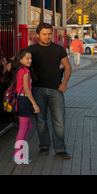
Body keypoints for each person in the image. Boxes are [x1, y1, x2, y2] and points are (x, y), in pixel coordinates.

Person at [25, 22, 72, 160]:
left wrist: (64, 84)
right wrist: (9, 63)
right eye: (44, 34)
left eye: (49, 34)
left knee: (59, 121)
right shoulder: (31, 50)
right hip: (37, 90)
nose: (47, 37)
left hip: (56, 90)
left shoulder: (58, 49)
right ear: (38, 34)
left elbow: (68, 67)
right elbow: (19, 59)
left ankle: (60, 149)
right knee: (41, 120)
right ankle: (44, 147)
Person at [2, 49, 40, 164]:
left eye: (31, 58)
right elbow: (27, 89)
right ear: (21, 59)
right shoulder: (25, 71)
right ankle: (18, 155)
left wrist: (5, 66)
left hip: (21, 100)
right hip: (25, 100)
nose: (30, 60)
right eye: (27, 58)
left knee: (28, 127)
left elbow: (6, 72)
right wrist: (34, 104)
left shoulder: (18, 70)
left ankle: (20, 151)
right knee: (23, 128)